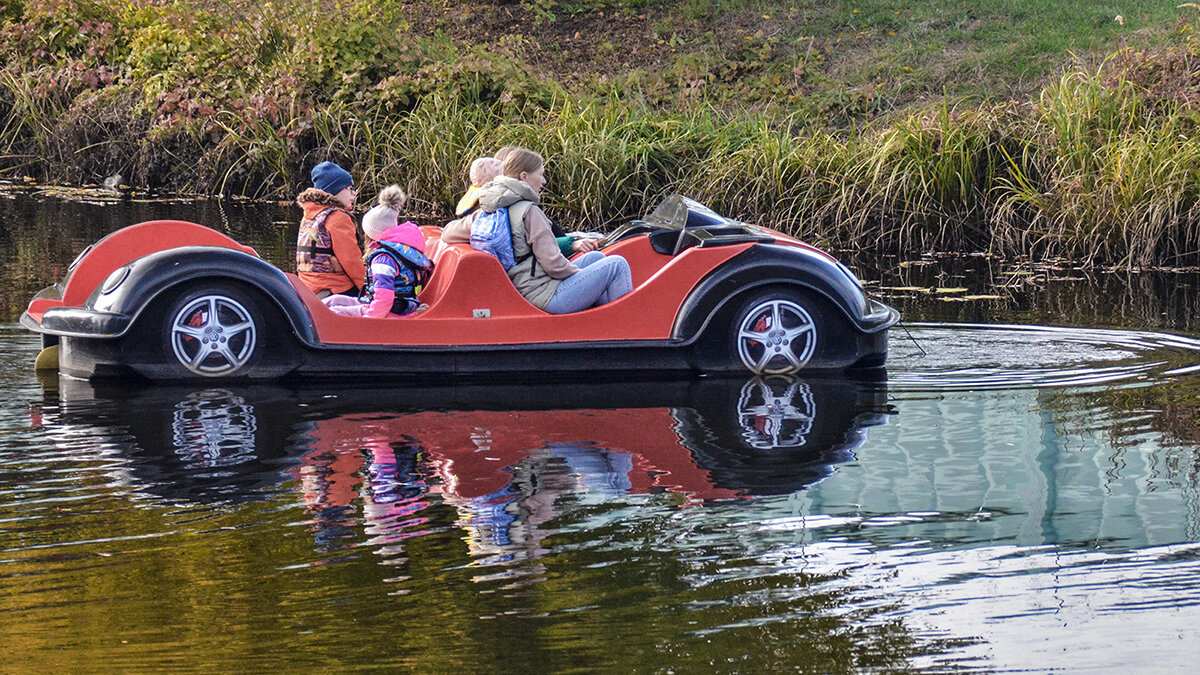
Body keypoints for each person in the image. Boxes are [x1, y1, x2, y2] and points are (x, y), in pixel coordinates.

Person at [473, 148, 632, 314]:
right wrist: (581, 275)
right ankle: (626, 327)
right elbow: (553, 265)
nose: (544, 181)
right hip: (545, 294)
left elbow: (451, 232)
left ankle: (599, 318)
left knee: (596, 257)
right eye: (540, 174)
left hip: (528, 284)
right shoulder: (530, 211)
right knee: (617, 265)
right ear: (524, 177)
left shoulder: (492, 208)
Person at [323, 185, 433, 317]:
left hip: (390, 310)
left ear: (373, 234)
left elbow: (384, 298)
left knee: (335, 312)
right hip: (390, 304)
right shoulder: (401, 249)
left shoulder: (383, 260)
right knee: (333, 300)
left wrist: (370, 320)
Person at [296, 161, 366, 298]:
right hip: (334, 289)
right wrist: (369, 290)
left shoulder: (309, 215)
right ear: (335, 190)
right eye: (349, 188)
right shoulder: (338, 218)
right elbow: (352, 261)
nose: (354, 193)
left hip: (309, 289)